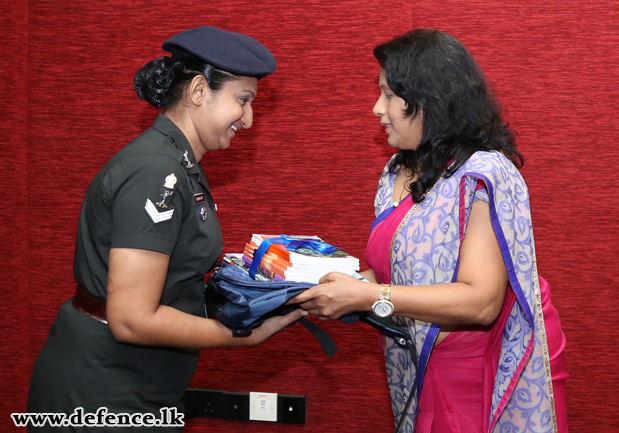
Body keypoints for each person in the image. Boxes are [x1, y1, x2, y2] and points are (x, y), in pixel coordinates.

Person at [26, 26, 303, 432]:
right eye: (242, 101)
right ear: (197, 91)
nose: (248, 119)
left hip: (137, 386)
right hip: (103, 394)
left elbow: (175, 277)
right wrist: (243, 337)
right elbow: (132, 319)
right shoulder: (157, 170)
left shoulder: (179, 163)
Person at [290, 29, 568, 433]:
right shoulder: (395, 173)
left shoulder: (484, 175)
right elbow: (388, 278)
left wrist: (368, 295)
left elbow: (481, 302)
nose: (376, 109)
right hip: (416, 361)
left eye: (388, 94)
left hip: (482, 373)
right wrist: (313, 285)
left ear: (429, 99)